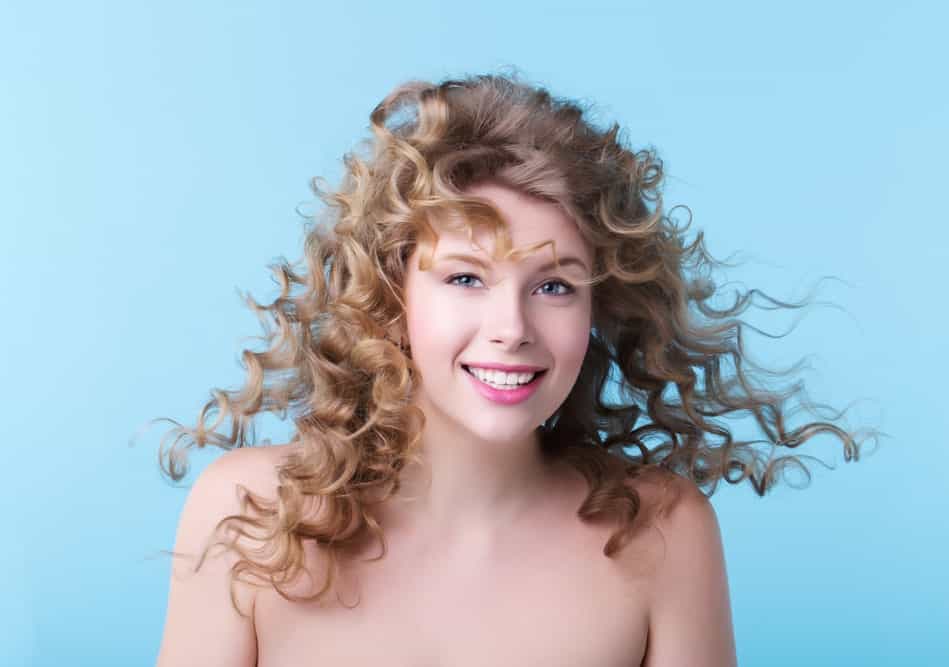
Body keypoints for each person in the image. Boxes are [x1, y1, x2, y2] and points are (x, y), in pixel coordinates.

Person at [150, 71, 876, 666]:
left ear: (601, 305)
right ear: (390, 292)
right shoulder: (249, 515)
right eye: (465, 278)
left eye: (554, 285)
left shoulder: (663, 531)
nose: (511, 329)